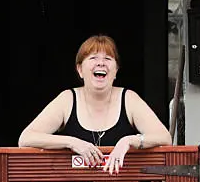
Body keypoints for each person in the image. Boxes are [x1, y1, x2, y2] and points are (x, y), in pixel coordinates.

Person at [18, 34, 172, 173]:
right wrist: (71, 143)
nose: (101, 63)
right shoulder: (67, 99)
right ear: (79, 70)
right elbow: (26, 139)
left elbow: (164, 137)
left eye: (108, 58)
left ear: (116, 70)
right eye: (93, 58)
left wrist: (128, 141)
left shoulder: (129, 99)